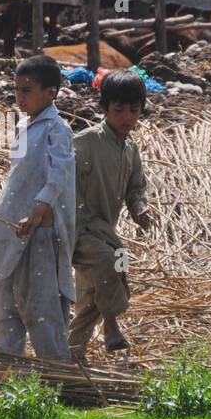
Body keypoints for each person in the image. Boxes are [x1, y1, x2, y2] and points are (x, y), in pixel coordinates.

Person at [0, 55, 75, 360]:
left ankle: (55, 368)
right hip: (15, 224)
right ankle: (7, 361)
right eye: (16, 89)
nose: (18, 97)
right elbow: (20, 176)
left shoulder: (57, 129)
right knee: (3, 295)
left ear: (50, 93)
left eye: (26, 90)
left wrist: (37, 212)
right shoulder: (25, 126)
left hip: (39, 229)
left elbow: (57, 175)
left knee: (39, 300)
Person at [69, 70, 151, 358]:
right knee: (110, 260)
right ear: (104, 108)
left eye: (134, 110)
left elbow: (135, 188)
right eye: (119, 110)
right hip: (77, 230)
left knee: (92, 297)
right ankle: (112, 326)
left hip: (104, 231)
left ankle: (71, 356)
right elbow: (60, 180)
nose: (127, 116)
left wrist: (139, 209)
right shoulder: (85, 143)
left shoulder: (130, 149)